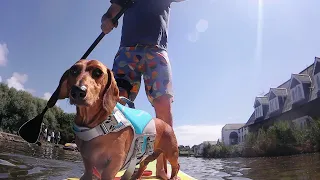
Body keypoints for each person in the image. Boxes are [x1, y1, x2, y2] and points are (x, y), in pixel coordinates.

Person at [101, 0, 184, 178]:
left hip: (156, 51)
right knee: (116, 106)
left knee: (164, 107)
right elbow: (110, 13)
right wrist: (106, 21)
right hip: (127, 52)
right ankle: (111, 164)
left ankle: (161, 168)